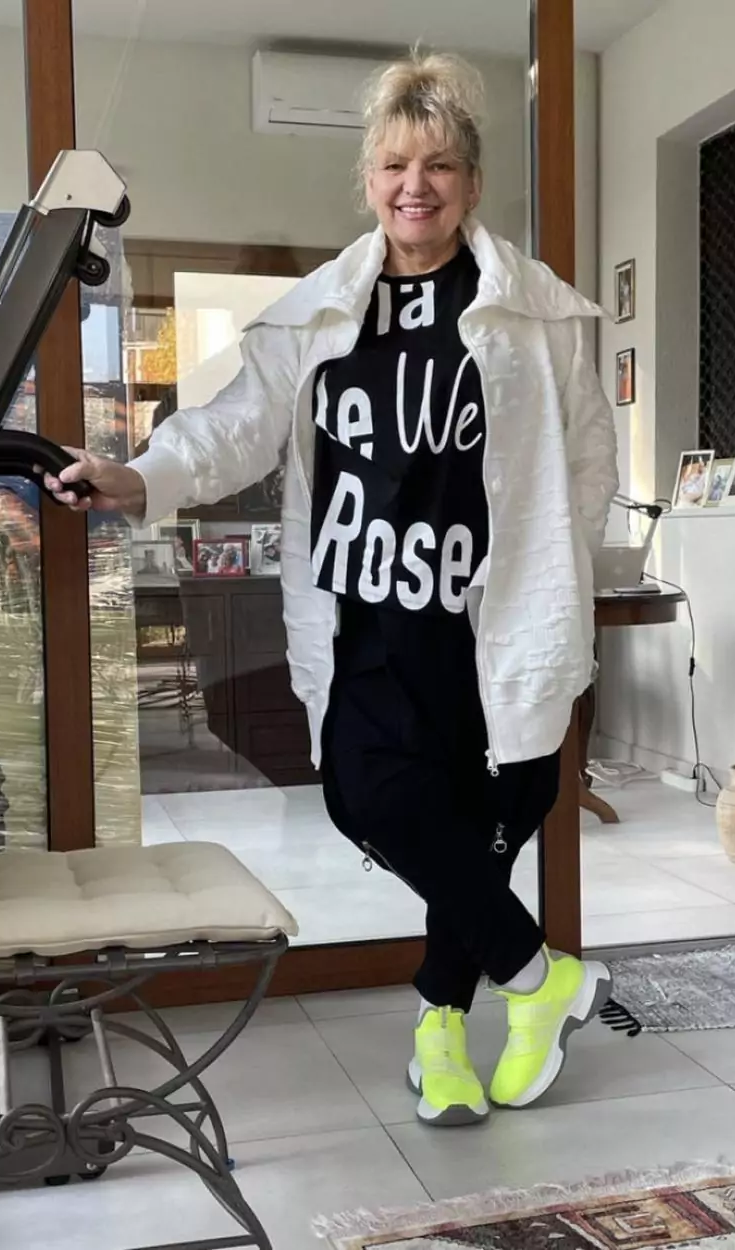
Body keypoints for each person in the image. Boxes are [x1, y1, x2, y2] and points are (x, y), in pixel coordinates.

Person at [43, 49, 619, 1128]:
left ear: (471, 182)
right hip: (367, 620)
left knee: (478, 824)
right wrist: (140, 475)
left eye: (438, 165)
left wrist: (555, 570)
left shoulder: (531, 314)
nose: (416, 185)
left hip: (486, 624)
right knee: (365, 795)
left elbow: (587, 459)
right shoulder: (320, 315)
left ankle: (441, 1032)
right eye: (395, 164)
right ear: (368, 180)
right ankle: (540, 979)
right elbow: (236, 427)